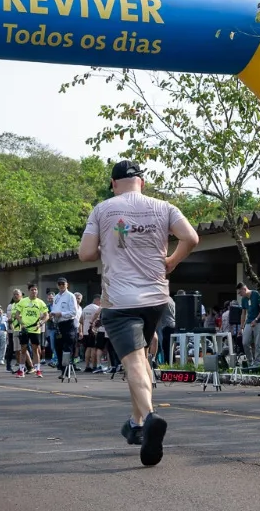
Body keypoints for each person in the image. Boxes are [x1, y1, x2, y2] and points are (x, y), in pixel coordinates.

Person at [79, 159, 200, 466]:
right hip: (157, 299)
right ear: (142, 182)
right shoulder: (164, 207)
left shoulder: (103, 209)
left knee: (133, 361)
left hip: (120, 301)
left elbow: (85, 254)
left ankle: (148, 418)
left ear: (113, 183)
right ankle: (135, 424)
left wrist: (110, 242)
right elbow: (191, 238)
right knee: (142, 358)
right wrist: (171, 262)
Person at [14, 284, 50, 376]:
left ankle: (38, 370)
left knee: (36, 350)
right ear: (29, 291)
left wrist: (41, 323)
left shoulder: (40, 302)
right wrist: (22, 324)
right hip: (25, 329)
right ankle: (21, 370)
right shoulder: (23, 301)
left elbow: (47, 315)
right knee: (23, 349)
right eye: (32, 290)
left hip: (35, 329)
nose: (34, 291)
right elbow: (17, 314)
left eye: (35, 290)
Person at [50, 277, 78, 371]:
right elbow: (54, 310)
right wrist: (52, 315)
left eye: (63, 284)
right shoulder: (56, 297)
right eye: (59, 284)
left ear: (67, 285)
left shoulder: (70, 296)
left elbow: (73, 312)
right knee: (58, 347)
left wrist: (61, 314)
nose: (61, 286)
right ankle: (62, 368)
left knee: (67, 348)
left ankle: (67, 369)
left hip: (68, 324)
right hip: (58, 325)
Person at [237, 282, 260, 367]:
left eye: (240, 292)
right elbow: (243, 313)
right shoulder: (244, 299)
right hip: (249, 322)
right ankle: (251, 362)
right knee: (245, 342)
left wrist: (256, 319)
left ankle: (257, 364)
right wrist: (241, 327)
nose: (240, 294)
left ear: (244, 289)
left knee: (258, 343)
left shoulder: (256, 294)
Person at [80, 293, 103, 373]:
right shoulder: (97, 308)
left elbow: (81, 320)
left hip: (86, 331)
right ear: (98, 300)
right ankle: (94, 366)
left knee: (88, 348)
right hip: (93, 331)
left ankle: (86, 366)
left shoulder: (85, 308)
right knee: (93, 348)